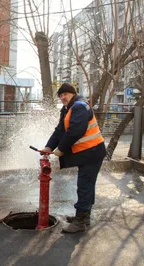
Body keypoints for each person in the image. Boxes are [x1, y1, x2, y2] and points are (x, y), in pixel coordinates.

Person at [40, 83, 106, 233]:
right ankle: (84, 217)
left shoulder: (79, 106)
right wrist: (49, 147)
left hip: (92, 153)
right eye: (60, 95)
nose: (63, 97)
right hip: (89, 153)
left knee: (84, 186)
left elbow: (75, 131)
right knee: (87, 185)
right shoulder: (68, 109)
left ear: (72, 93)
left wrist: (61, 149)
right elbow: (59, 131)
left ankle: (80, 222)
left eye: (65, 94)